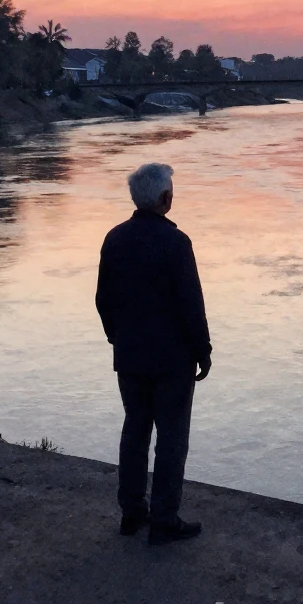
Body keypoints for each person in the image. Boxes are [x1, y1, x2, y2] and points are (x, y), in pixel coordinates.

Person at [96, 162, 212, 545]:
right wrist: (203, 350)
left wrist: (119, 338)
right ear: (165, 199)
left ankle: (132, 513)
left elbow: (103, 301)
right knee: (172, 440)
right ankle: (164, 519)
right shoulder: (176, 243)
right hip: (171, 361)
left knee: (134, 432)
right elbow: (190, 305)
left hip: (130, 358)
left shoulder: (114, 239)